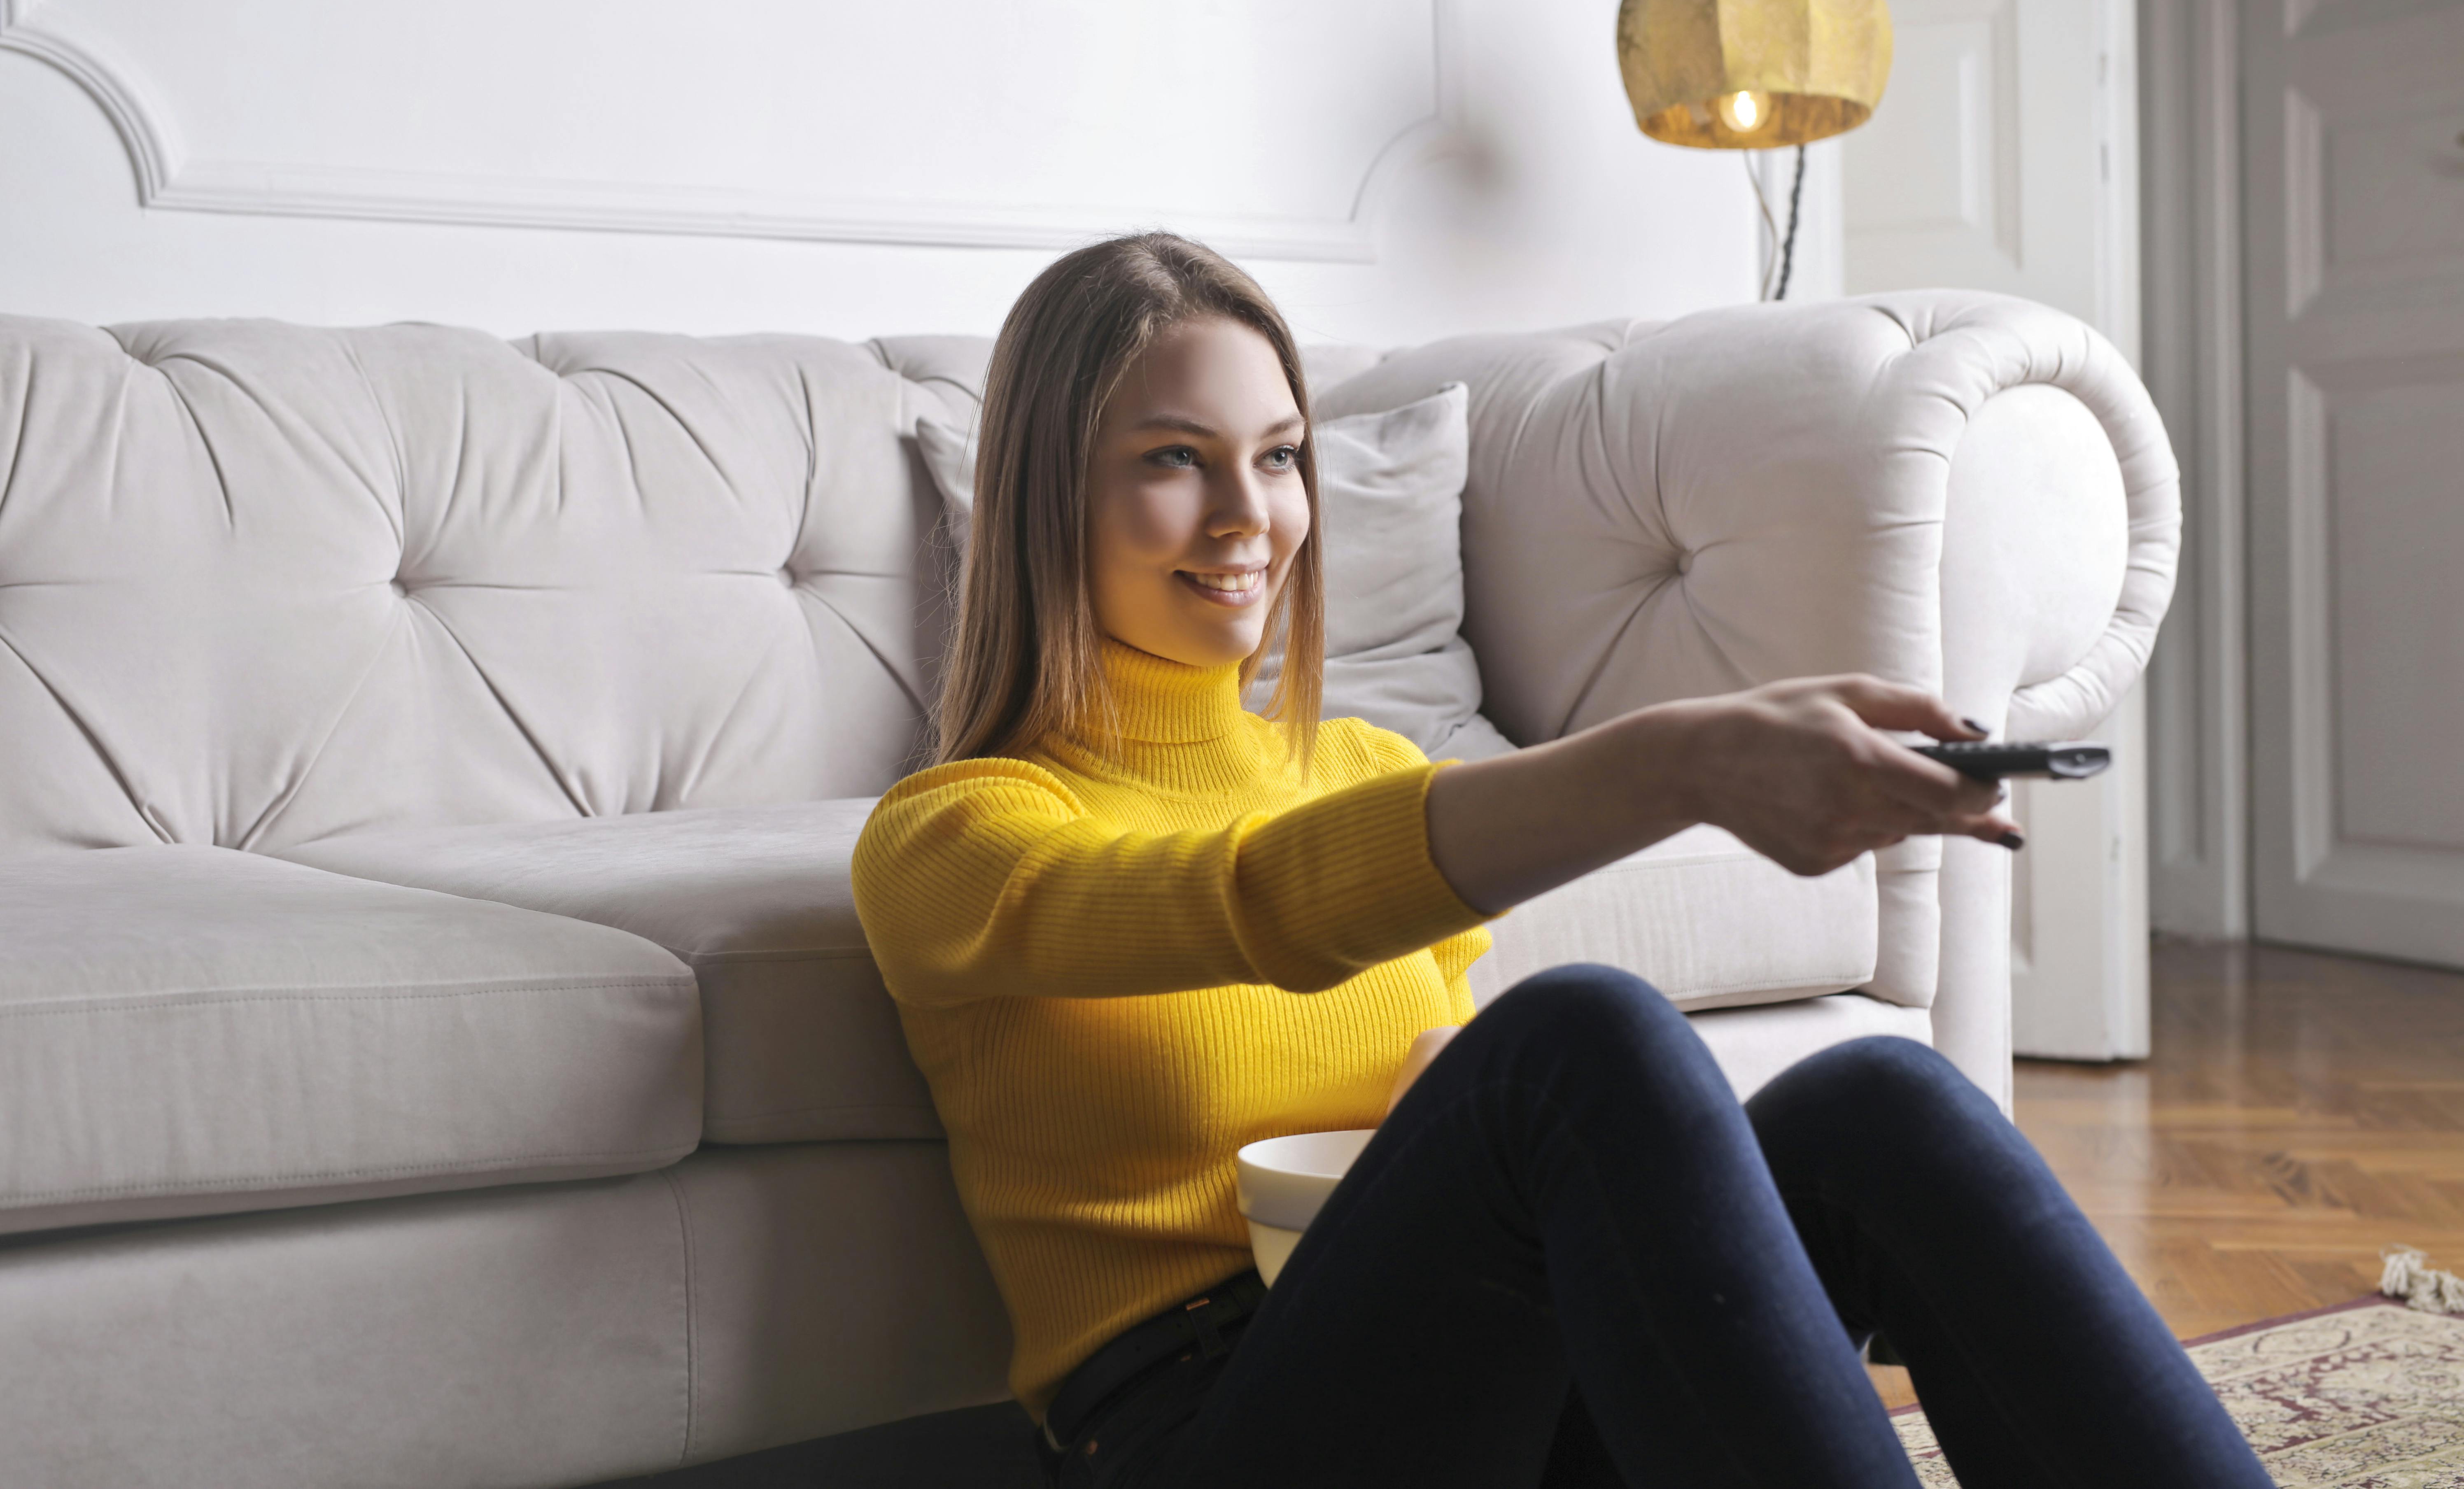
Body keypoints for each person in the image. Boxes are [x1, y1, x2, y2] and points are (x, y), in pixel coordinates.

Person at [850, 232, 2271, 1488]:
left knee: (1878, 1105)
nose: (1249, 517)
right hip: (1206, 1430)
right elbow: (1258, 902)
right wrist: (1683, 759)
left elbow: (1428, 1134)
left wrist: (1437, 1116)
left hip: (1493, 1408)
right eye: (1174, 458)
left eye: (1278, 455)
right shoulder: (955, 839)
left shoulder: (1366, 773)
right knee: (1573, 1038)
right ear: (1049, 491)